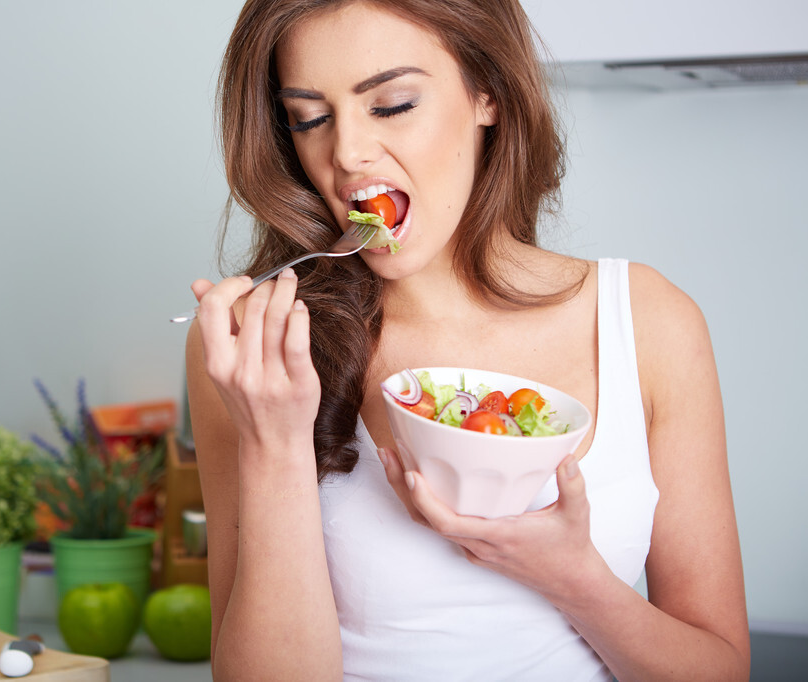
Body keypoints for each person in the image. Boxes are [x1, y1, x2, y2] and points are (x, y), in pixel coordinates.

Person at [184, 0, 750, 679]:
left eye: (391, 104)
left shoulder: (648, 321)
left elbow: (720, 668)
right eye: (310, 118)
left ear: (487, 93)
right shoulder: (257, 348)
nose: (346, 153)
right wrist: (273, 442)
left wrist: (574, 578)